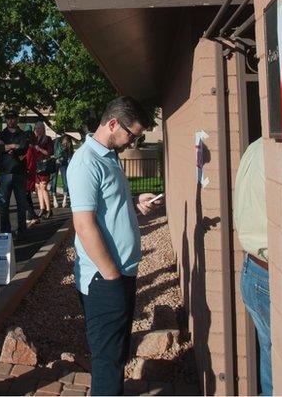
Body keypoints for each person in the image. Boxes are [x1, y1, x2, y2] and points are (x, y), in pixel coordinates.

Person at [67, 96, 162, 396]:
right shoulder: (86, 162)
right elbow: (84, 225)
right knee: (108, 360)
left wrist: (135, 202)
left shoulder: (108, 156)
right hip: (104, 278)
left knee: (117, 353)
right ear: (112, 124)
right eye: (132, 135)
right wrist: (110, 275)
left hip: (120, 273)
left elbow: (108, 207)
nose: (133, 141)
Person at [234, 137, 270, 395]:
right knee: (275, 361)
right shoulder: (275, 152)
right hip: (265, 274)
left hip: (252, 268)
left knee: (269, 354)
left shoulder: (255, 148)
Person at [0, 112, 30, 238]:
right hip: (5, 173)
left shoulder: (23, 134)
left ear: (17, 119)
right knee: (3, 204)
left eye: (13, 118)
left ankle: (22, 230)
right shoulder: (1, 134)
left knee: (21, 203)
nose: (10, 120)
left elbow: (24, 148)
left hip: (19, 173)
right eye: (8, 118)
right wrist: (13, 146)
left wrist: (7, 147)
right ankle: (5, 231)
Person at [28, 121, 55, 219]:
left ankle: (49, 209)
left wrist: (39, 148)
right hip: (36, 166)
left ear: (43, 129)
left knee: (43, 187)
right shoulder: (34, 139)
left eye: (39, 128)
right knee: (38, 187)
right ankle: (42, 208)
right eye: (36, 128)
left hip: (44, 165)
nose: (37, 130)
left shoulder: (47, 139)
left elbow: (49, 152)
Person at [51, 135, 75, 209]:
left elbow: (71, 155)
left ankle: (65, 198)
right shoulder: (57, 142)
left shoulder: (68, 146)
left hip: (63, 163)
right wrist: (56, 158)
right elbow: (53, 152)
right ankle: (54, 198)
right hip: (54, 162)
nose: (66, 144)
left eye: (67, 144)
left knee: (65, 180)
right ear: (63, 139)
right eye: (65, 143)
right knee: (54, 181)